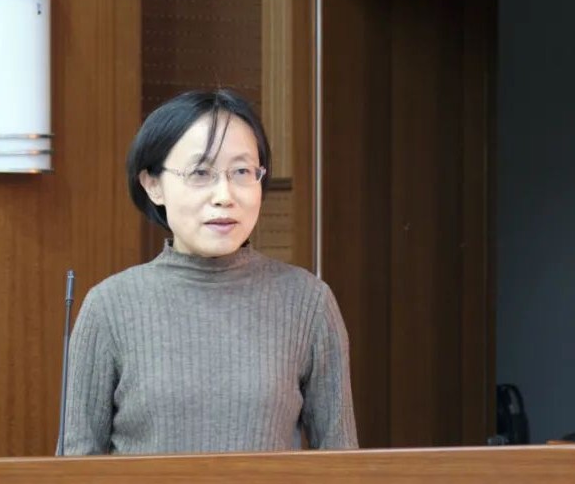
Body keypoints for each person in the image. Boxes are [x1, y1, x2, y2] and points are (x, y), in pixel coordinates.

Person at [62, 88, 357, 455]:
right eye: (200, 172)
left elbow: (341, 461)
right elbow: (76, 468)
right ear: (153, 185)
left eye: (242, 172)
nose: (224, 195)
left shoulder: (308, 301)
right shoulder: (109, 306)